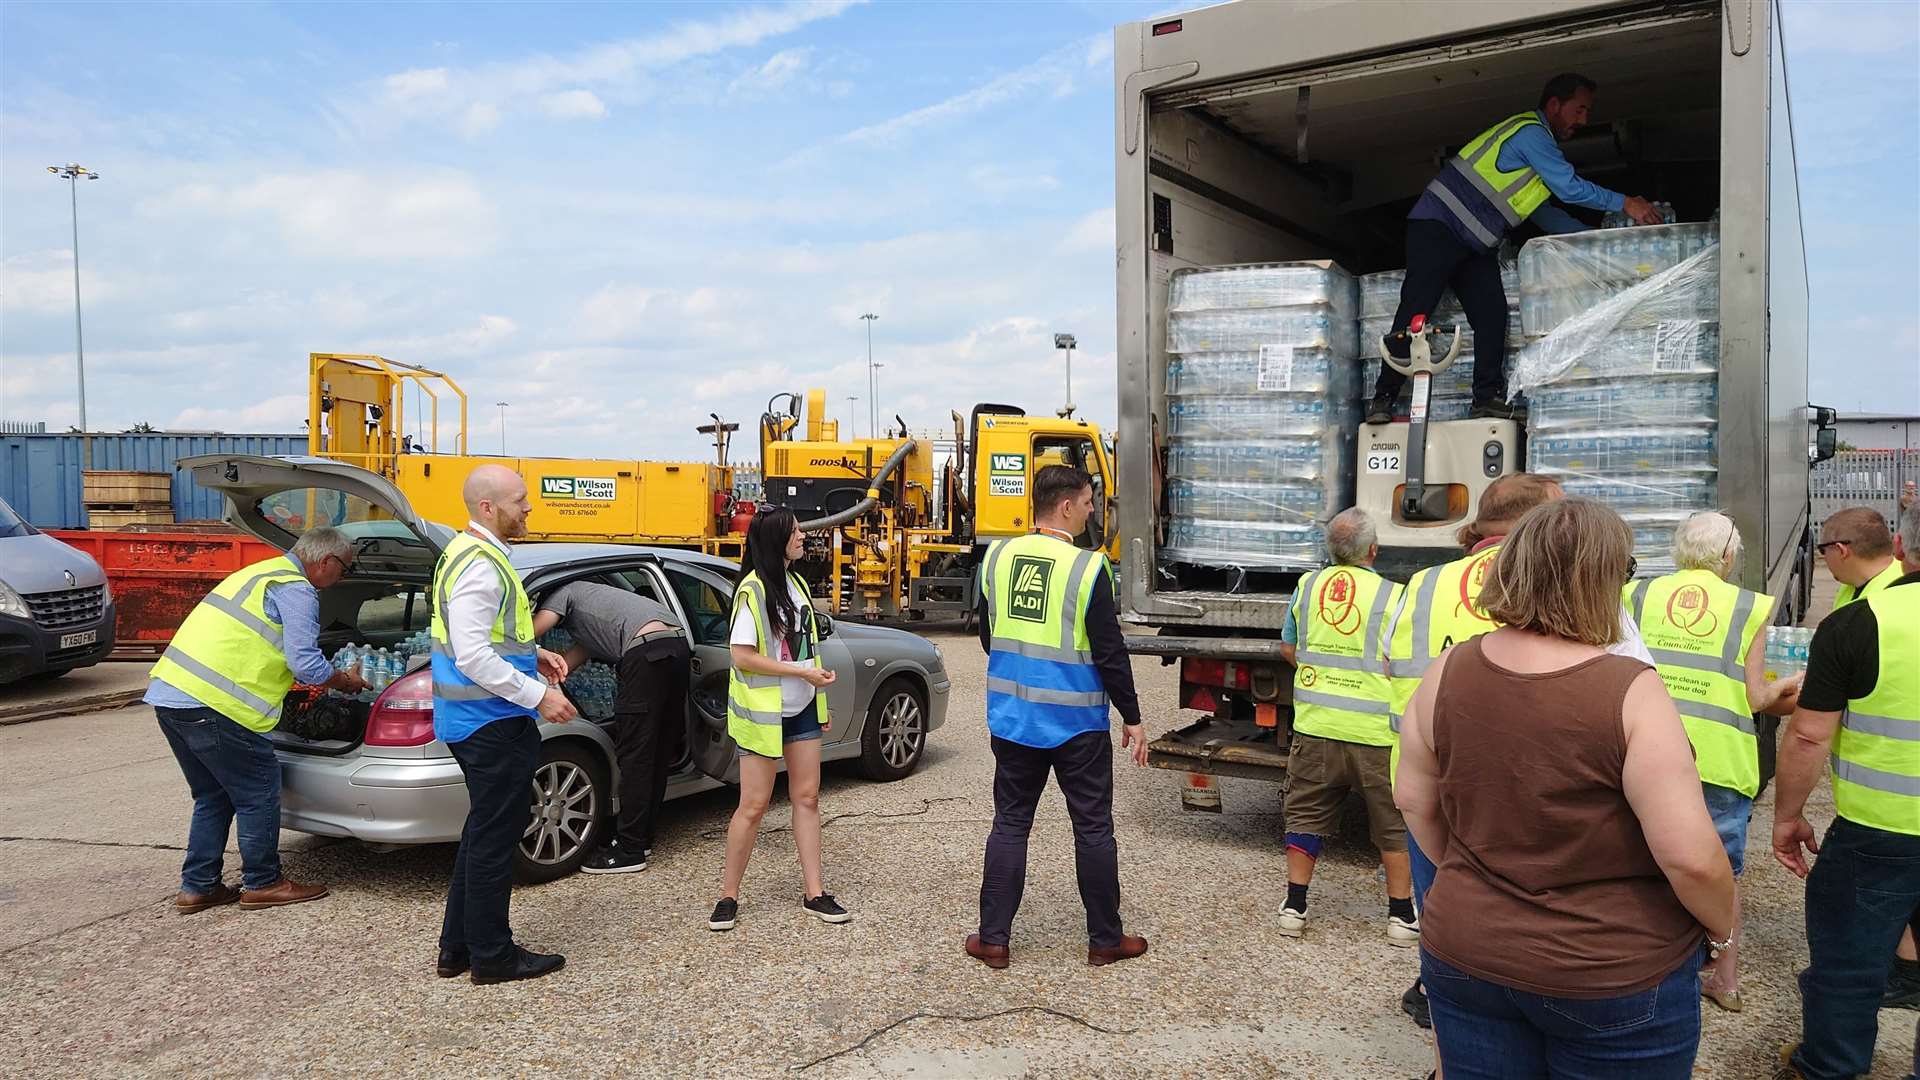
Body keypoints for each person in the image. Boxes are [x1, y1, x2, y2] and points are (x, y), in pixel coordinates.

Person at [1396, 497, 1735, 1078]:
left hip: (1467, 955)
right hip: (1608, 973)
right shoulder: (1631, 691)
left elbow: (1414, 801)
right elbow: (1692, 860)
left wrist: (1471, 876)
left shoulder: (1447, 671)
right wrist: (1725, 935)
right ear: (1604, 578)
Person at [1380, 471, 1654, 1028]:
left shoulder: (1424, 585)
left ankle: (1447, 1009)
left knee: (1452, 926)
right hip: (1544, 795)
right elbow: (1635, 682)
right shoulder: (1575, 584)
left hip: (1435, 787)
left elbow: (1389, 663)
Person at [1367, 73, 1663, 425]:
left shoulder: (1537, 158)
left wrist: (1596, 243)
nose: (1584, 120)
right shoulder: (1531, 134)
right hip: (1439, 228)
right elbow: (1569, 189)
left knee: (1492, 314)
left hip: (1475, 245)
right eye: (1579, 109)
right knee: (1417, 309)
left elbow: (1549, 216)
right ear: (1554, 104)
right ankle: (1382, 398)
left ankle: (1486, 399)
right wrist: (1625, 203)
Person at [966, 464, 1149, 969]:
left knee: (1010, 824)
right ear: (1066, 507)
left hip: (1014, 719)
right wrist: (1132, 717)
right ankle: (1104, 940)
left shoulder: (999, 557)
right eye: (1090, 502)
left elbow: (987, 633)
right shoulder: (1088, 569)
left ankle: (994, 940)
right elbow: (1111, 652)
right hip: (1077, 728)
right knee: (1092, 829)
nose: (1093, 511)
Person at [1626, 512, 1802, 1013]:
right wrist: (1786, 688)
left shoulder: (1637, 594)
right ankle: (1723, 980)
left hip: (1649, 749)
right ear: (1728, 556)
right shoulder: (1748, 606)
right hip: (1719, 760)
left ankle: (1646, 969)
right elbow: (1754, 696)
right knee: (1717, 873)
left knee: (1643, 863)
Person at [147, 526, 370, 912]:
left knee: (213, 794)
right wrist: (344, 681)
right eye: (345, 570)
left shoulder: (256, 574)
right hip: (216, 705)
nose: (341, 579)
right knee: (258, 790)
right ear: (326, 562)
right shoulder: (296, 588)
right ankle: (263, 882)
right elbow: (306, 664)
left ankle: (198, 887)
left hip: (172, 696)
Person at [1772, 500, 1920, 1080]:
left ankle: (1829, 1068)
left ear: (1905, 545)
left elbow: (1808, 736)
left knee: (1848, 963)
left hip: (1880, 833)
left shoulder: (1863, 623)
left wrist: (1787, 816)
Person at [431, 464, 577, 985]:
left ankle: (458, 948)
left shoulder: (464, 552)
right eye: (520, 500)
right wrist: (539, 696)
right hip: (491, 722)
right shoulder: (482, 564)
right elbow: (471, 654)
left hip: (472, 719)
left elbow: (482, 639)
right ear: (488, 507)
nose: (529, 507)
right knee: (496, 840)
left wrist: (532, 654)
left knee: (481, 834)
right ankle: (493, 956)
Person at [1275, 508, 1416, 945]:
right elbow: (1402, 663)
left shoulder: (1308, 586)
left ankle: (1295, 908)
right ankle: (1400, 917)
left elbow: (1288, 648)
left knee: (1305, 816)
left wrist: (1321, 675)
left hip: (1317, 726)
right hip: (1375, 734)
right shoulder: (1395, 597)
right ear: (1373, 549)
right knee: (1391, 825)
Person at [710, 506, 847, 932]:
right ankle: (728, 896)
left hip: (803, 706)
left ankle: (815, 892)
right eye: (796, 532)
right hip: (765, 715)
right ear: (775, 541)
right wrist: (801, 673)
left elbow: (804, 647)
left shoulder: (798, 583)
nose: (804, 536)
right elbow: (743, 657)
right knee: (752, 806)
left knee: (807, 799)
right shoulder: (752, 591)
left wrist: (813, 684)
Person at [533, 579, 687, 875]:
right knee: (655, 750)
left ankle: (629, 851)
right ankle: (640, 838)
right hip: (676, 647)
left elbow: (529, 633)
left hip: (645, 654)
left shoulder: (563, 591)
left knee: (635, 754)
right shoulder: (599, 610)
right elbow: (564, 666)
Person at [1819, 507, 1903, 610]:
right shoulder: (1852, 583)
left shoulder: (1883, 603)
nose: (1824, 557)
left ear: (1841, 551)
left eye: (1823, 550)